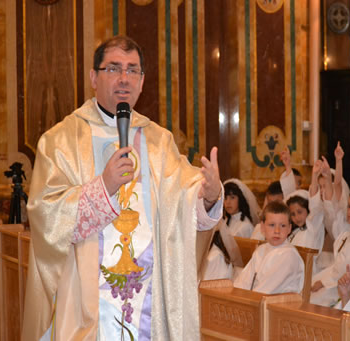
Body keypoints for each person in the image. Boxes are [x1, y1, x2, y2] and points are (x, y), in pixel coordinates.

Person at [22, 35, 223, 341]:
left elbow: (183, 201)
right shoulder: (60, 141)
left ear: (142, 81)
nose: (124, 79)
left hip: (147, 300)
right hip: (86, 306)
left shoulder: (159, 142)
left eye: (133, 70)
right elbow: (46, 216)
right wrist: (104, 187)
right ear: (94, 77)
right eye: (113, 68)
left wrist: (208, 196)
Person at [310, 186, 350, 307]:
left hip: (344, 287)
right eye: (349, 206)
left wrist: (323, 282)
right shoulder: (348, 233)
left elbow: (346, 270)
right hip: (333, 280)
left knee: (312, 302)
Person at [234, 201, 304, 294]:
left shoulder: (288, 255)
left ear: (289, 228)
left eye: (283, 226)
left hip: (277, 305)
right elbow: (244, 281)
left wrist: (246, 302)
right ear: (262, 227)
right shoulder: (261, 250)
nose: (277, 231)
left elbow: (266, 289)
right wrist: (237, 295)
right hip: (256, 301)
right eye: (272, 225)